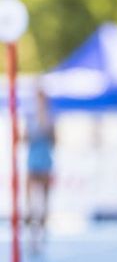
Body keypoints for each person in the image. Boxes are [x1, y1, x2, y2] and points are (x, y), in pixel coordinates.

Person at [23, 83, 55, 254]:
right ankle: (32, 238)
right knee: (30, 204)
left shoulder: (50, 117)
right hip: (32, 162)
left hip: (45, 163)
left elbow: (54, 140)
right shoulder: (30, 117)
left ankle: (41, 237)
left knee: (44, 202)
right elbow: (24, 138)